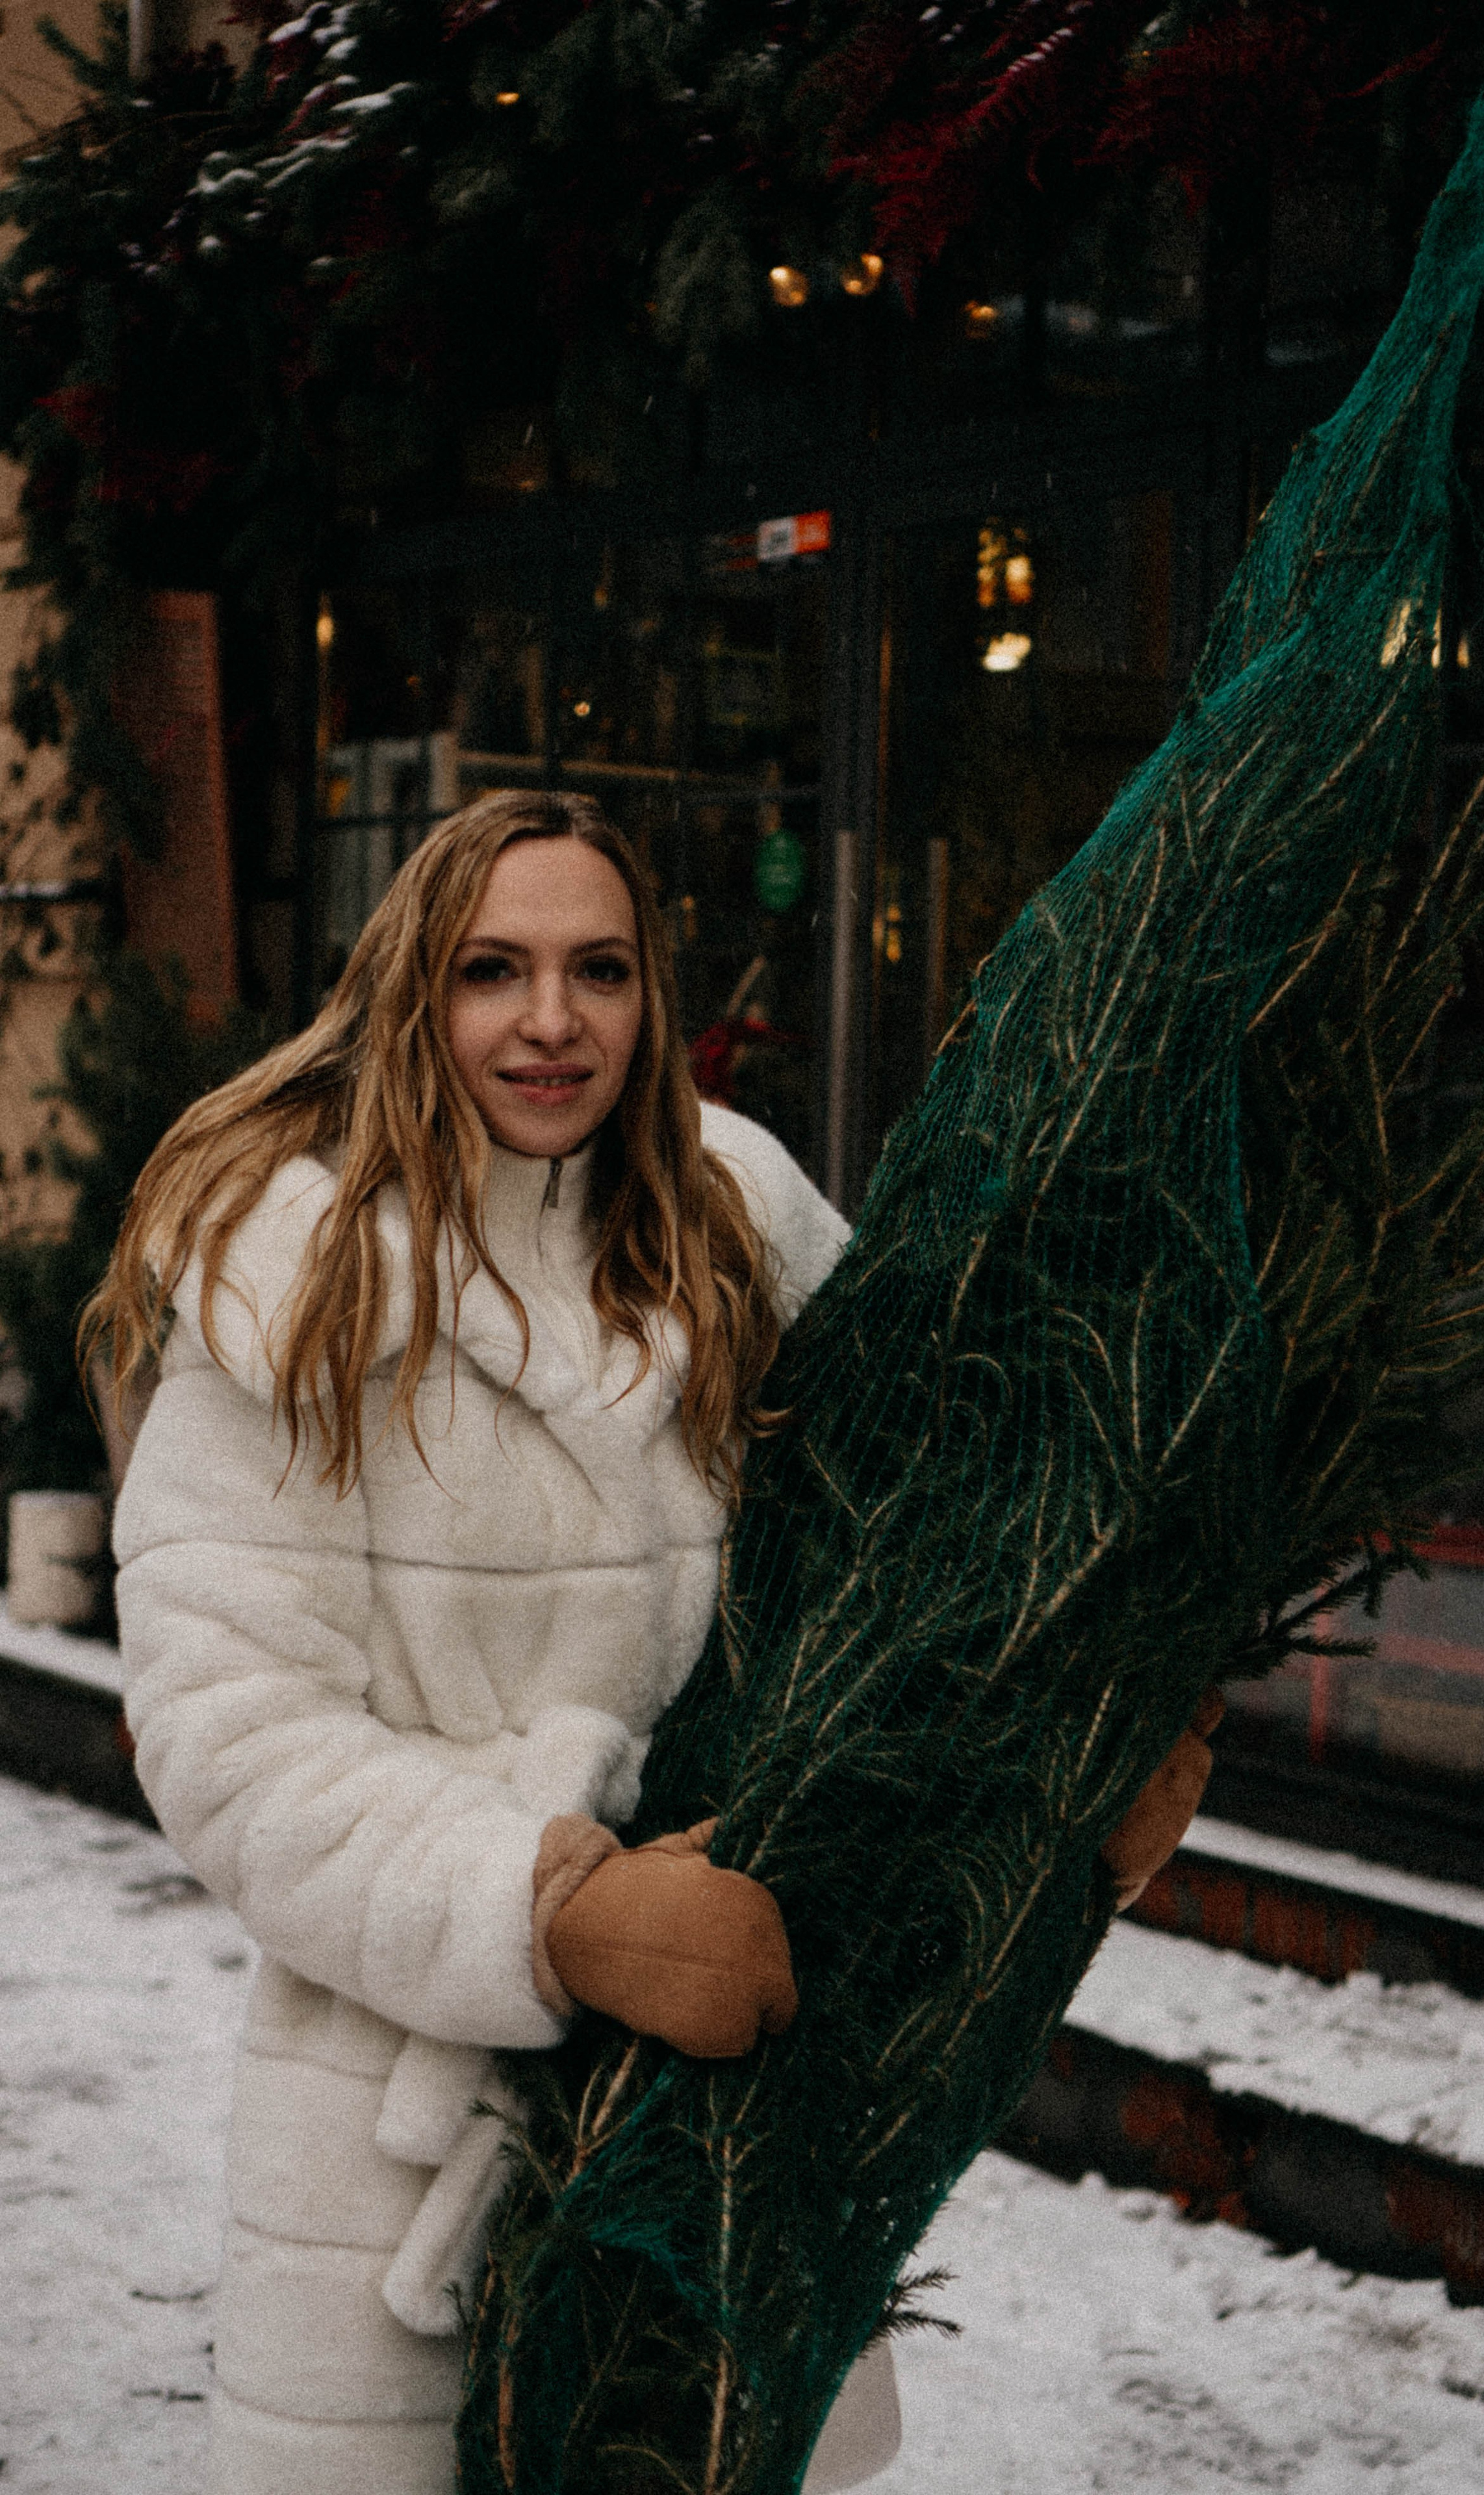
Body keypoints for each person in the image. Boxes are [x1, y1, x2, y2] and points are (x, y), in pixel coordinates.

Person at [88, 788, 1217, 2494]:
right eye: (494, 972)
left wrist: (1052, 1776)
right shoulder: (295, 1277)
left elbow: (893, 1559)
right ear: (414, 991)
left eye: (598, 970)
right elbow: (229, 1735)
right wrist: (551, 1906)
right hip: (413, 2136)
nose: (552, 1023)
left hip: (736, 2107)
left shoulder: (738, 1215)